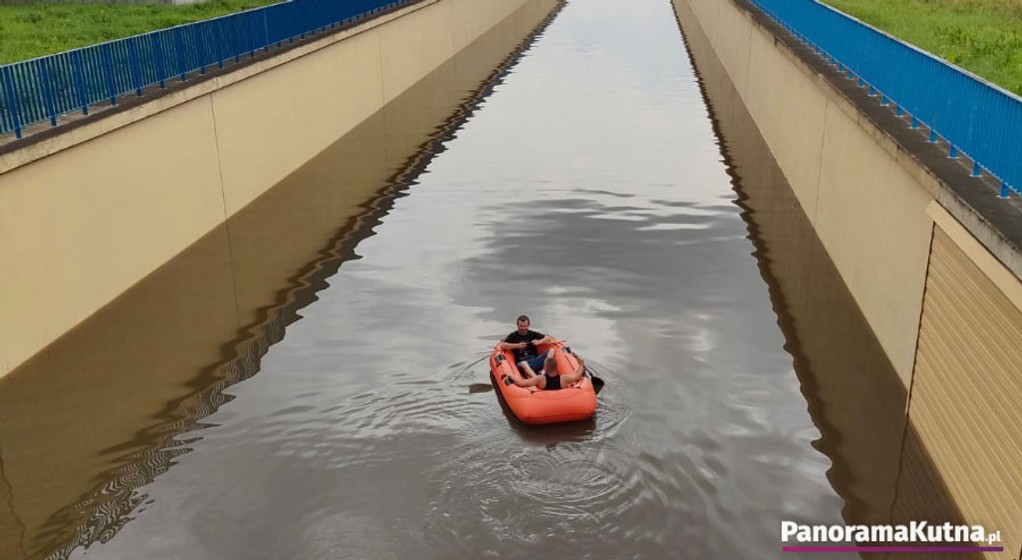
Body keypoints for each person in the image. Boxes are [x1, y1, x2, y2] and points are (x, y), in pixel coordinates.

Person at [512, 353, 586, 391]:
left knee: (527, 377)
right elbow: (578, 376)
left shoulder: (540, 379)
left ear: (546, 368)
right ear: (556, 367)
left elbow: (520, 384)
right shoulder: (563, 378)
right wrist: (581, 365)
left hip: (543, 402)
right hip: (561, 401)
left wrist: (510, 376)